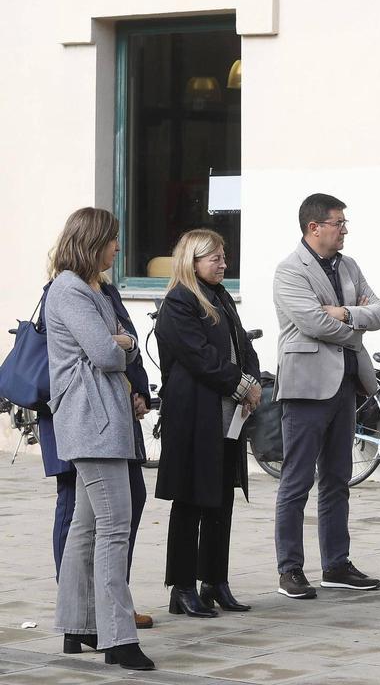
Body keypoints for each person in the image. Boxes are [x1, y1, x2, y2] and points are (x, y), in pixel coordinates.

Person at [44, 207, 153, 671]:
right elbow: (109, 351)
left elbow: (118, 339)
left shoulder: (94, 287)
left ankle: (79, 627)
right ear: (91, 242)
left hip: (102, 419)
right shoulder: (69, 289)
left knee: (87, 527)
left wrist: (121, 340)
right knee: (114, 527)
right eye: (112, 240)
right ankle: (117, 637)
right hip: (93, 422)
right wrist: (123, 343)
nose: (118, 248)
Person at [272, 193, 380, 598]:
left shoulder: (349, 265)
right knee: (297, 480)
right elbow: (313, 324)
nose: (345, 230)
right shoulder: (291, 271)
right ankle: (290, 569)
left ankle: (336, 564)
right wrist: (352, 324)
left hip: (346, 384)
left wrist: (345, 313)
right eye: (338, 223)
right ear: (313, 227)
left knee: (338, 479)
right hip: (306, 386)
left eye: (344, 223)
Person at [154, 230, 262, 617]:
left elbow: (243, 346)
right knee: (190, 501)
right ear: (193, 260)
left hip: (226, 414)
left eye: (223, 257)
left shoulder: (220, 296)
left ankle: (215, 580)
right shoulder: (179, 302)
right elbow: (198, 357)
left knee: (221, 500)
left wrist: (252, 378)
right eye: (215, 258)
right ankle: (182, 586)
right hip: (195, 416)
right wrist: (242, 384)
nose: (223, 264)